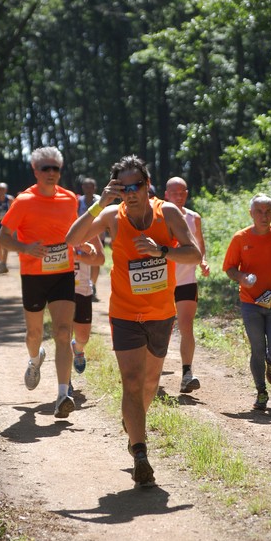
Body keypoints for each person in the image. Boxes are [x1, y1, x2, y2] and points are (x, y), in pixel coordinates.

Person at [66, 155, 201, 488]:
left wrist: (162, 252)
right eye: (123, 187)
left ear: (147, 184)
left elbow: (194, 254)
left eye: (136, 186)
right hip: (124, 313)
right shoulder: (112, 215)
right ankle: (140, 452)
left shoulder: (166, 212)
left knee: (151, 383)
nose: (130, 193)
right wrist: (100, 203)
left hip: (160, 313)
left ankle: (133, 423)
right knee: (131, 380)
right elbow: (72, 238)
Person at [0, 146, 80, 420]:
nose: (51, 173)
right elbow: (3, 237)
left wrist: (84, 246)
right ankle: (35, 360)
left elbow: (75, 232)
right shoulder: (23, 201)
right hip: (33, 275)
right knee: (35, 335)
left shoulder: (70, 199)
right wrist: (24, 247)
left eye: (55, 168)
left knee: (63, 331)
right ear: (35, 171)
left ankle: (62, 395)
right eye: (45, 168)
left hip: (62, 274)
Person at [222, 193, 271, 411]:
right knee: (256, 348)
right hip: (251, 303)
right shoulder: (240, 238)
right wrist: (241, 278)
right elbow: (229, 268)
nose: (264, 216)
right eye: (259, 212)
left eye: (268, 212)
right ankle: (261, 392)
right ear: (251, 213)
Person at [165, 177, 210, 394]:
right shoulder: (158, 216)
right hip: (162, 283)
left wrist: (202, 261)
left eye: (182, 192)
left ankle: (187, 373)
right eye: (174, 192)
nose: (179, 196)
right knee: (161, 329)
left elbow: (199, 244)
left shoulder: (194, 217)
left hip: (186, 280)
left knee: (186, 326)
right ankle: (151, 372)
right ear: (166, 194)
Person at [68, 235, 105, 394]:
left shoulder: (88, 228)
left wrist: (82, 254)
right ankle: (65, 382)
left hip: (82, 289)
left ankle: (78, 349)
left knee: (83, 337)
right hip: (60, 290)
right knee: (64, 336)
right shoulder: (53, 223)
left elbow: (100, 260)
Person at [78, 178, 104, 302]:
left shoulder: (100, 200)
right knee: (83, 260)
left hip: (98, 235)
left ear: (95, 188)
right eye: (86, 186)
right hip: (82, 236)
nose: (88, 189)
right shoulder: (79, 201)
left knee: (96, 261)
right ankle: (82, 286)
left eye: (91, 186)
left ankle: (93, 286)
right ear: (82, 187)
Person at [0, 182, 14, 273]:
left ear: (6, 190)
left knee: (6, 244)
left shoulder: (10, 199)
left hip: (6, 224)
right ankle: (1, 261)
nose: (1, 191)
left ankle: (3, 262)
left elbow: (15, 210)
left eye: (3, 189)